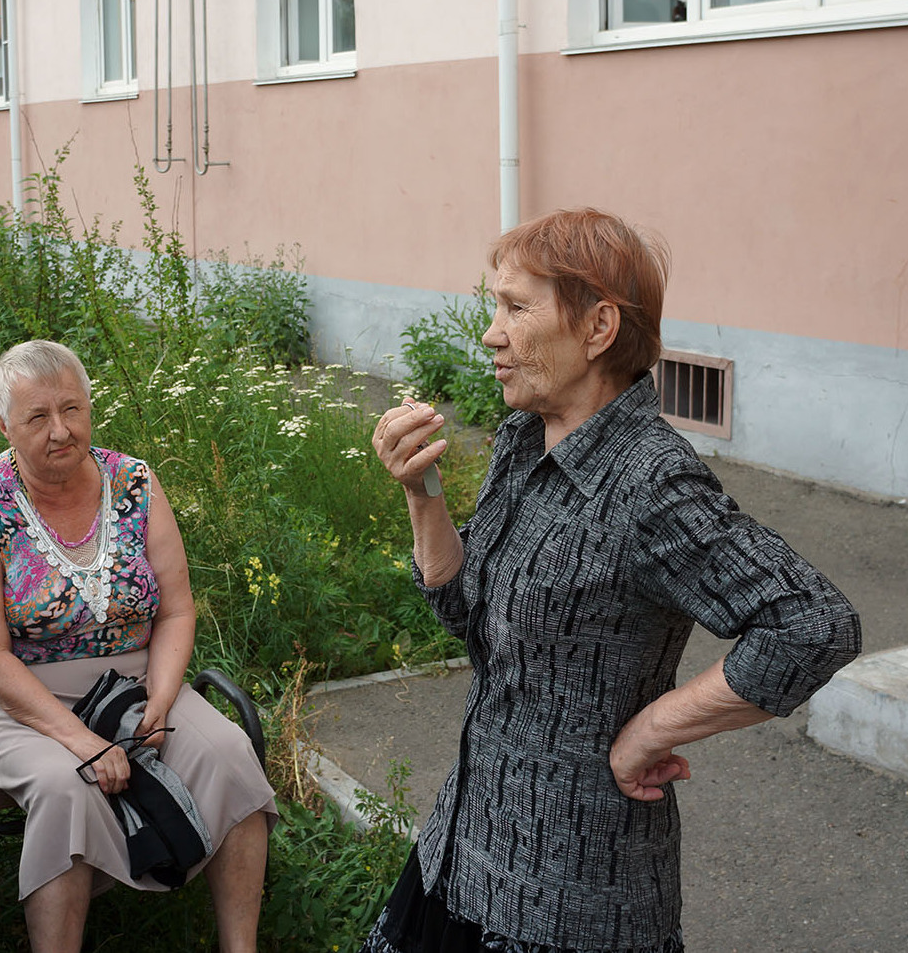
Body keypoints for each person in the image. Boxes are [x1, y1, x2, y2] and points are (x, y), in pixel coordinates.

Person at [363, 209, 861, 953]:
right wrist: (421, 494)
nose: (491, 334)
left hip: (571, 899)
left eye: (516, 307)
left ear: (598, 329)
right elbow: (465, 615)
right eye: (493, 306)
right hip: (464, 845)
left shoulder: (652, 482)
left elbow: (815, 625)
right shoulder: (524, 438)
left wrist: (649, 732)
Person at [0, 340, 276, 953]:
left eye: (72, 409)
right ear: (2, 425)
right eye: (37, 417)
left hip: (135, 681)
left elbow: (176, 609)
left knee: (231, 752)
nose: (60, 431)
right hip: (22, 698)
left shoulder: (135, 482)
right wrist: (86, 743)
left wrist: (162, 697)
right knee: (68, 785)